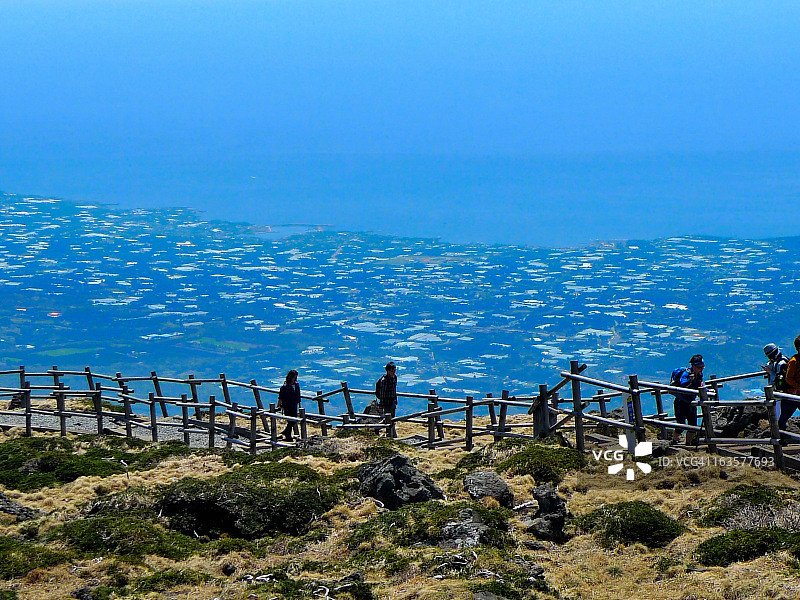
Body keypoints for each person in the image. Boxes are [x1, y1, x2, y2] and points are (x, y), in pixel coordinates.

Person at [672, 354, 705, 445]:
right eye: (699, 367)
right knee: (681, 424)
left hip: (691, 402)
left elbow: (700, 385)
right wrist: (691, 380)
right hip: (681, 402)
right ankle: (674, 440)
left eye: (702, 367)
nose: (701, 369)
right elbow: (683, 384)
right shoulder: (686, 374)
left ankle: (688, 443)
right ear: (693, 366)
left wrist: (706, 390)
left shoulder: (699, 375)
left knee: (693, 425)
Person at [778, 335, 800, 431]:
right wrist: (798, 387)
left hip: (797, 393)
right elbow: (789, 379)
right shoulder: (794, 362)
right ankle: (779, 435)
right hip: (792, 394)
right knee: (784, 416)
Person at [375, 361, 398, 436]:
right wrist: (381, 405)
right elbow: (382, 394)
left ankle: (378, 428)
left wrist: (395, 399)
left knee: (392, 418)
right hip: (387, 403)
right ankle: (389, 435)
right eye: (392, 371)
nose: (393, 372)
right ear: (387, 371)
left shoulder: (394, 378)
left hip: (392, 401)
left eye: (394, 370)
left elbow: (394, 390)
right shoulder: (384, 381)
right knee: (389, 419)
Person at [277, 369, 301, 442]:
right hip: (287, 405)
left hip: (294, 405)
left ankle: (287, 433)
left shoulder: (296, 385)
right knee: (291, 420)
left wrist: (299, 404)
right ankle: (288, 434)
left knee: (293, 420)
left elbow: (298, 395)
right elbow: (281, 397)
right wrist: (279, 405)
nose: (295, 378)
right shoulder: (285, 386)